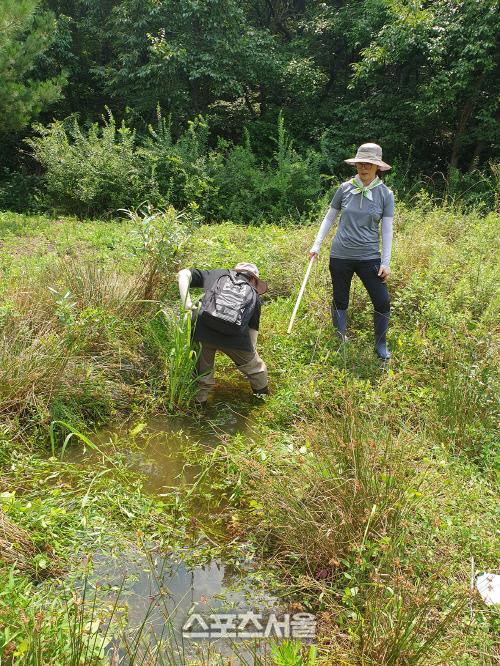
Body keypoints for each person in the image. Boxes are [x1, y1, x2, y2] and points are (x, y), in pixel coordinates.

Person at [309, 143, 394, 359]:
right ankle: (340, 337)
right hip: (340, 255)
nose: (363, 167)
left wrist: (386, 262)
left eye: (369, 163)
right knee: (340, 298)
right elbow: (330, 217)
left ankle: (380, 344)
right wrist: (316, 245)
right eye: (360, 163)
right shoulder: (344, 188)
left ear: (377, 167)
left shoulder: (385, 194)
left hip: (369, 257)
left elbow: (387, 230)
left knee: (382, 300)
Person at [177, 262, 269, 403]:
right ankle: (262, 399)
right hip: (235, 337)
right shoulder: (253, 293)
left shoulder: (219, 274)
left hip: (203, 329)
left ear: (235, 271)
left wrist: (186, 302)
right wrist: (250, 355)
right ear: (253, 279)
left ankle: (200, 407)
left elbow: (183, 273)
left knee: (202, 375)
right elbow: (253, 330)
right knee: (257, 370)